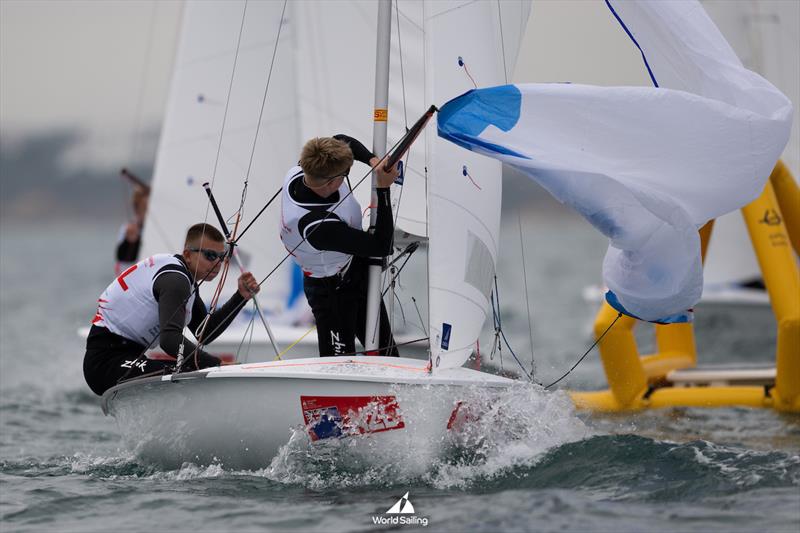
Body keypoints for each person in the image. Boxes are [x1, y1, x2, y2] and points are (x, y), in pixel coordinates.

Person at [84, 223, 260, 396]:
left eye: (221, 257)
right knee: (191, 373)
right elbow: (170, 340)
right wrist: (216, 364)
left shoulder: (184, 279)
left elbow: (204, 333)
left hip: (127, 357)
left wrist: (241, 297)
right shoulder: (176, 281)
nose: (217, 264)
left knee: (193, 369)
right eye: (210, 255)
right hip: (104, 362)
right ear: (187, 254)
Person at [280, 134, 400, 357]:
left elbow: (341, 139)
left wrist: (373, 161)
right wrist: (384, 189)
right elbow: (381, 246)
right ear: (331, 182)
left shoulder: (304, 170)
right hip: (330, 291)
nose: (347, 177)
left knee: (386, 353)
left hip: (354, 270)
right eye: (345, 174)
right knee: (339, 363)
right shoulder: (318, 225)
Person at [115, 185, 149, 275]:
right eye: (145, 207)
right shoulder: (127, 229)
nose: (148, 211)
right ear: (136, 208)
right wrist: (130, 241)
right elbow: (123, 258)